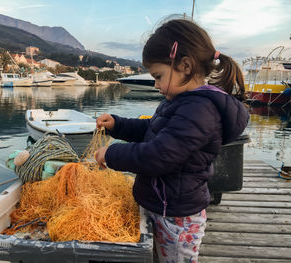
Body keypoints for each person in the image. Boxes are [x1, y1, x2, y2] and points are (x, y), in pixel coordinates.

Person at [94, 18, 249, 263]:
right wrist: (118, 124)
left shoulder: (199, 110)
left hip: (176, 217)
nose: (155, 84)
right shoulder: (180, 101)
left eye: (158, 76)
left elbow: (158, 155)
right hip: (162, 206)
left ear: (185, 66)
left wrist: (111, 154)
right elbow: (151, 129)